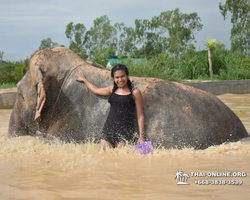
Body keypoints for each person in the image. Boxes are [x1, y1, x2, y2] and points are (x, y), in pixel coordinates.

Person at [75, 64, 145, 150]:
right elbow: (96, 90)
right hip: (109, 130)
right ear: (114, 78)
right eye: (117, 77)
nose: (120, 80)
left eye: (122, 76)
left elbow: (140, 116)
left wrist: (141, 137)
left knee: (123, 160)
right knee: (104, 157)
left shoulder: (135, 93)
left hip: (125, 133)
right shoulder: (112, 89)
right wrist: (84, 80)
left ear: (127, 76)